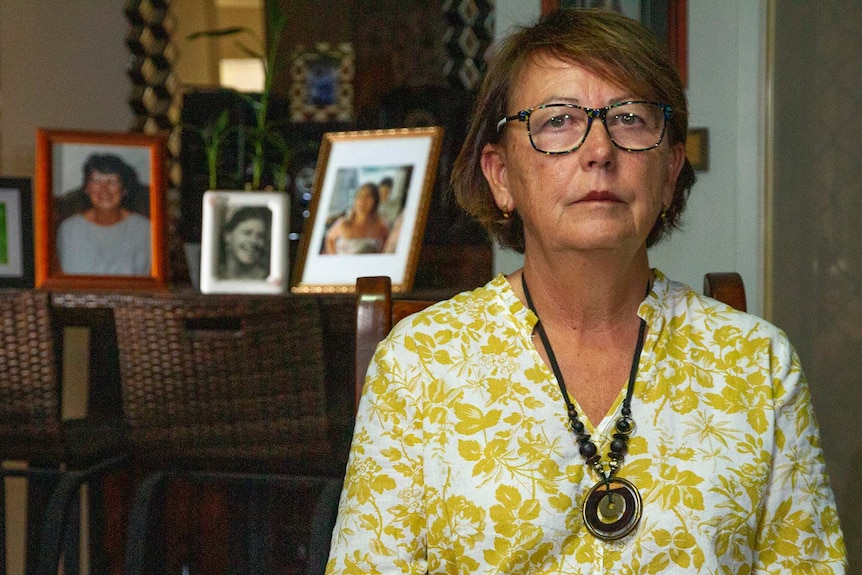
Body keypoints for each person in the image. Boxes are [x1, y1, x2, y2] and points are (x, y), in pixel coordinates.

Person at [325, 8, 847, 575]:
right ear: (500, 175)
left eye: (629, 119)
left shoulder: (760, 366)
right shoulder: (417, 365)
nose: (599, 149)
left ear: (671, 172)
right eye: (557, 122)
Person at [57, 153, 151, 276]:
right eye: (96, 181)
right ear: (86, 188)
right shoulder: (69, 229)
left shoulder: (144, 229)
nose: (104, 189)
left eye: (112, 181)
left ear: (124, 189)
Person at [322, 182, 390, 255]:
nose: (362, 201)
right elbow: (329, 239)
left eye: (368, 197)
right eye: (359, 196)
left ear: (375, 202)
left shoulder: (381, 227)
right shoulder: (344, 223)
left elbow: (386, 246)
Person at [218, 206, 271, 280]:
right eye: (247, 233)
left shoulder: (269, 278)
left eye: (260, 236)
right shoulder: (213, 275)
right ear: (228, 235)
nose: (254, 241)